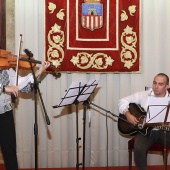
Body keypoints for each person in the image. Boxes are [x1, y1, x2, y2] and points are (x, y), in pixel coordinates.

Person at [0, 61, 50, 170]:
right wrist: (4, 88)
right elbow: (7, 88)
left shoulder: (5, 69)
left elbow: (22, 85)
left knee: (10, 150)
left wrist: (38, 72)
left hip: (5, 112)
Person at [118, 73, 170, 170]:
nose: (156, 87)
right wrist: (127, 114)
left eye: (160, 84)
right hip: (145, 132)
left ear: (167, 86)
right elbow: (122, 101)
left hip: (165, 131)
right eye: (154, 83)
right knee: (139, 148)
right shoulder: (143, 95)